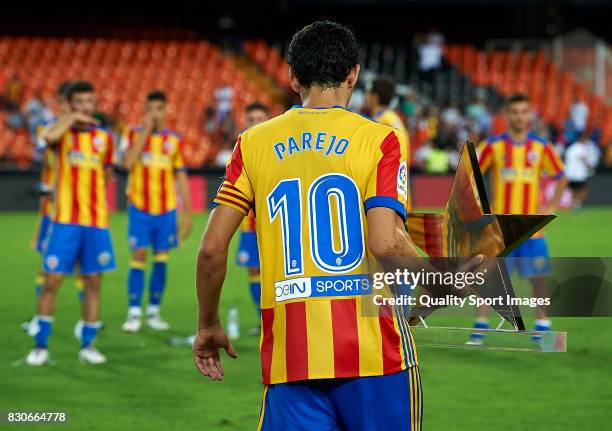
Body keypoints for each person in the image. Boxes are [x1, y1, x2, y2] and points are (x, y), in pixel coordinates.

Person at [192, 21, 483, 430]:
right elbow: (384, 241)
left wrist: (208, 324)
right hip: (374, 350)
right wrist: (439, 278)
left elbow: (210, 251)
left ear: (293, 77)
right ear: (354, 74)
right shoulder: (380, 138)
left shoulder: (252, 143)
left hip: (291, 357)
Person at [25, 81, 116, 365]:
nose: (85, 107)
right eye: (78, 103)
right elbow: (46, 139)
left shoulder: (104, 138)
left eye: (89, 102)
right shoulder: (59, 131)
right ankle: (41, 346)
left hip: (96, 223)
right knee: (52, 281)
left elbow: (108, 171)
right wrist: (69, 119)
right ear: (70, 104)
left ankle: (88, 345)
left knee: (92, 282)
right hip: (64, 221)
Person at [469, 93, 568, 345]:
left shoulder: (541, 147)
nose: (520, 117)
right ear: (506, 115)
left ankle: (543, 328)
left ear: (530, 114)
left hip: (532, 229)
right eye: (515, 112)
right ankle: (480, 328)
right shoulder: (493, 146)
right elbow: (470, 172)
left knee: (538, 278)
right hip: (500, 229)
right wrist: (482, 204)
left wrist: (551, 206)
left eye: (524, 111)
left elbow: (561, 175)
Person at [120, 90, 192, 332]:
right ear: (144, 112)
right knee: (138, 257)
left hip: (166, 211)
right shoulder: (131, 134)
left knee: (161, 260)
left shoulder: (174, 140)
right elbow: (127, 163)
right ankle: (133, 313)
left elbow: (180, 175)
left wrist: (187, 212)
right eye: (150, 109)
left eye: (159, 109)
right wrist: (145, 133)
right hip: (140, 209)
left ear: (166, 111)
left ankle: (153, 311)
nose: (155, 114)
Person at [234, 102, 270, 337]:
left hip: (272, 224)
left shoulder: (277, 149)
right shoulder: (240, 150)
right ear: (244, 122)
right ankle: (263, 319)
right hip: (249, 226)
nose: (256, 123)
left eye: (260, 118)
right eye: (251, 119)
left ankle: (278, 319)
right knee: (254, 272)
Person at [365, 75, 411, 210]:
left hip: (386, 189)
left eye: (368, 93)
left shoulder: (383, 121)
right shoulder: (392, 117)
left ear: (375, 96)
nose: (365, 97)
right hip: (397, 185)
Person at [564, 133, 596, 211]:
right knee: (583, 190)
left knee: (574, 191)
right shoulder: (581, 148)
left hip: (570, 174)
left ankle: (574, 205)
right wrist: (590, 166)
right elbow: (584, 159)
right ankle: (578, 204)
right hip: (579, 174)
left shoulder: (571, 148)